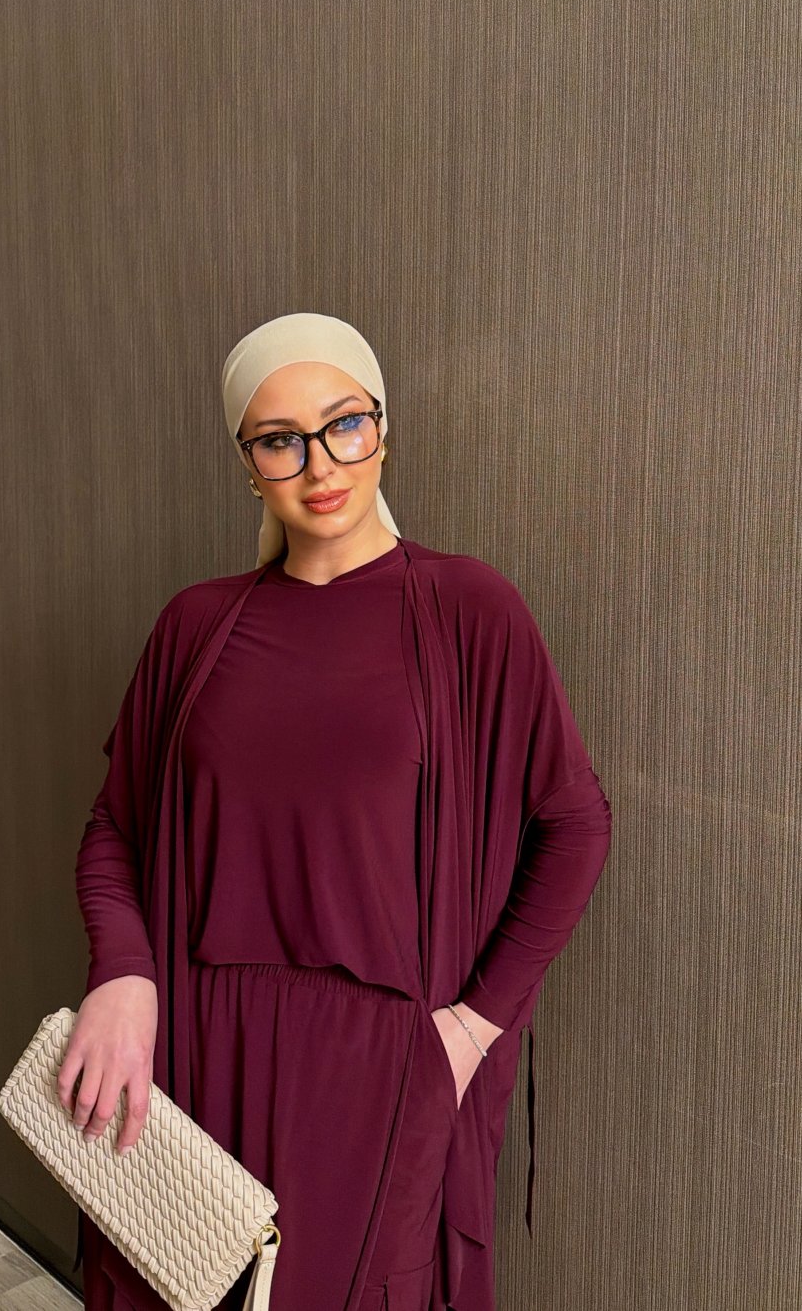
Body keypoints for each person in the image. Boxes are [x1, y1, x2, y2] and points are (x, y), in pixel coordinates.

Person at [61, 312, 613, 1311]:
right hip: (197, 1051)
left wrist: (471, 1030)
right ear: (249, 464)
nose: (320, 463)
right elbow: (115, 829)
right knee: (179, 1282)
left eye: (345, 423)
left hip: (385, 1078)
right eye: (280, 439)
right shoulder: (196, 625)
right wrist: (124, 974)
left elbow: (574, 824)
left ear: (382, 431)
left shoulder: (468, 609)